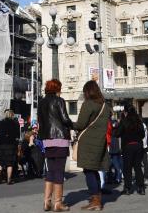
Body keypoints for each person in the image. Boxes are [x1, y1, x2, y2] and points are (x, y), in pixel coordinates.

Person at [73, 80, 110, 211]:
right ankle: (98, 200)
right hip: (100, 142)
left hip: (88, 143)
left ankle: (95, 200)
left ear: (87, 92)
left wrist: (70, 124)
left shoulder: (88, 104)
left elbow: (80, 124)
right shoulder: (105, 106)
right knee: (94, 170)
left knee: (89, 171)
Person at [37, 79, 72, 211]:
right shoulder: (59, 100)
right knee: (59, 172)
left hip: (47, 140)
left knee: (50, 172)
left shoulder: (41, 102)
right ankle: (58, 203)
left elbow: (41, 121)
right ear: (57, 89)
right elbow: (64, 119)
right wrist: (73, 125)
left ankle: (46, 202)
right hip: (60, 139)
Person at [115, 104, 146, 195]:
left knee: (127, 168)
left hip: (128, 146)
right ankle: (141, 188)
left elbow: (117, 134)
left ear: (125, 112)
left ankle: (128, 188)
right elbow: (143, 135)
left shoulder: (124, 121)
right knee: (138, 167)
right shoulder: (138, 121)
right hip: (138, 146)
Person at [0, 109, 20, 185]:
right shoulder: (15, 123)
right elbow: (17, 135)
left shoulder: (1, 122)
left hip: (2, 144)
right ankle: (9, 179)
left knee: (1, 162)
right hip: (11, 145)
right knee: (10, 163)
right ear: (12, 115)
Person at [108, 116, 122, 185]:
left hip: (113, 146)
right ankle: (116, 177)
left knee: (114, 163)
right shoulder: (116, 123)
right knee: (116, 162)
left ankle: (117, 177)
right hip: (116, 145)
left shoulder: (111, 123)